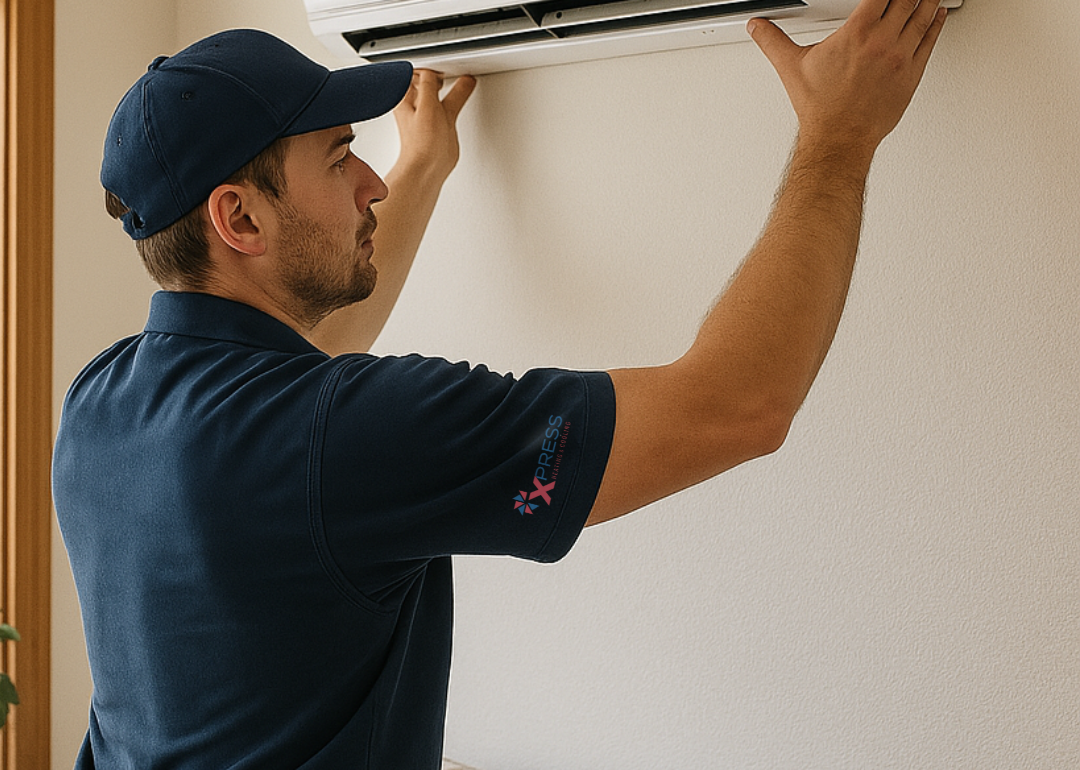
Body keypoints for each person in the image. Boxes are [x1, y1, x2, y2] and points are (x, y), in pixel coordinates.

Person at [53, 1, 948, 767]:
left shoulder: (99, 406)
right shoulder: (347, 433)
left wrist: (423, 169)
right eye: (337, 157)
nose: (369, 182)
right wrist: (840, 137)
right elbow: (734, 405)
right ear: (238, 217)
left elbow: (312, 345)